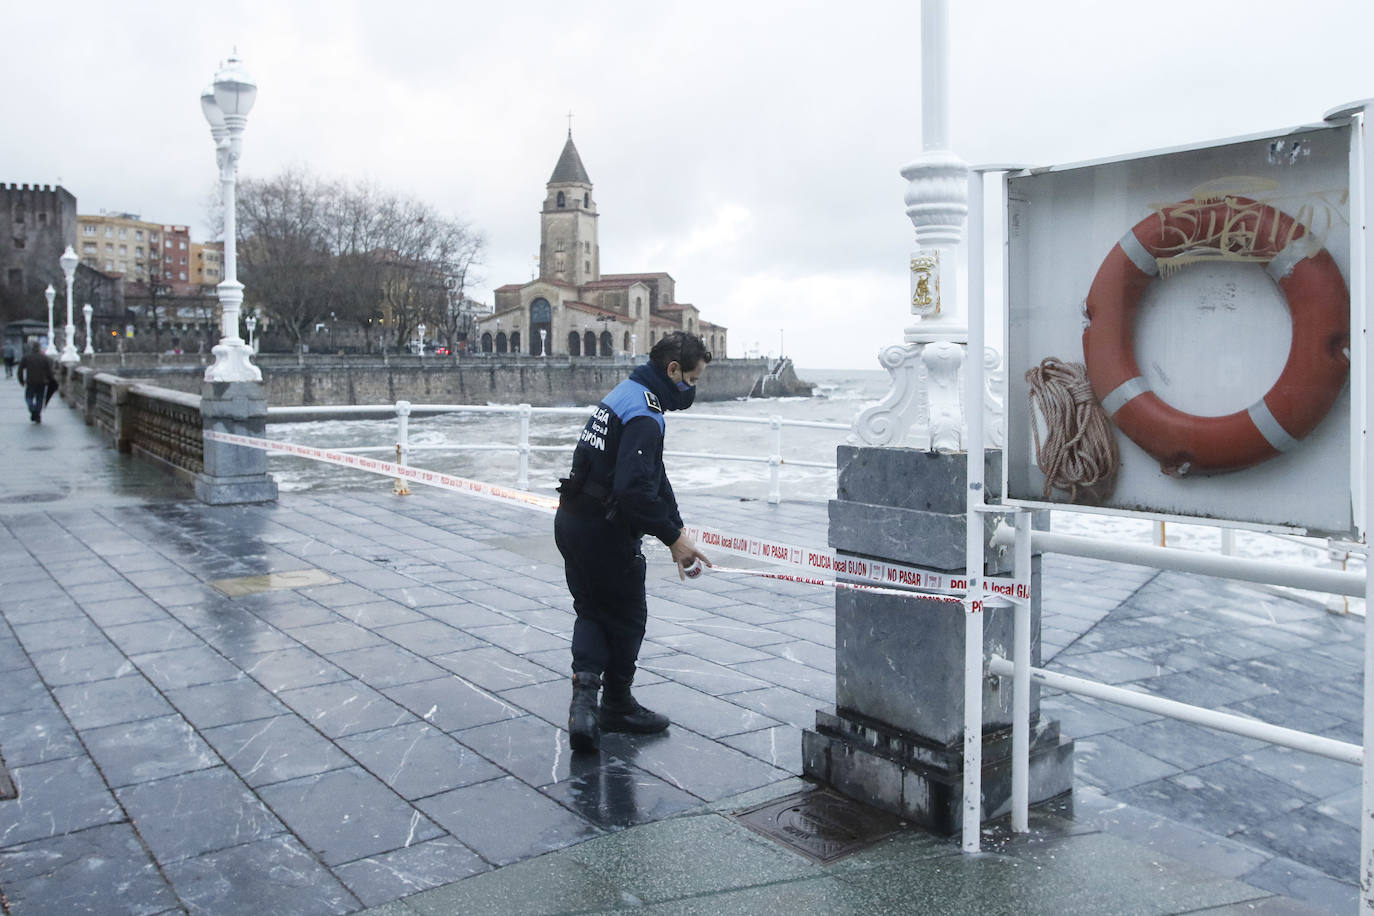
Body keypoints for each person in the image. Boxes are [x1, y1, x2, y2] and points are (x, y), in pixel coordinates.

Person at [555, 331, 713, 753]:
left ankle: (584, 708)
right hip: (605, 534)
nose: (692, 390)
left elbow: (653, 477)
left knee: (591, 611)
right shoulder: (646, 414)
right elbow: (633, 490)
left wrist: (677, 530)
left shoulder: (625, 394)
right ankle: (617, 705)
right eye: (692, 380)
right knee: (627, 617)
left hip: (572, 521)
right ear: (673, 370)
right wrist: (672, 539)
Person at [17, 341, 54, 424]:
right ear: (39, 348)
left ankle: (32, 409)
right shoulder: (44, 358)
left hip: (30, 381)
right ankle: (37, 414)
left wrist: (21, 380)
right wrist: (50, 380)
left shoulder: (27, 357)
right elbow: (50, 371)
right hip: (42, 382)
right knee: (40, 399)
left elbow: (20, 370)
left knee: (28, 398)